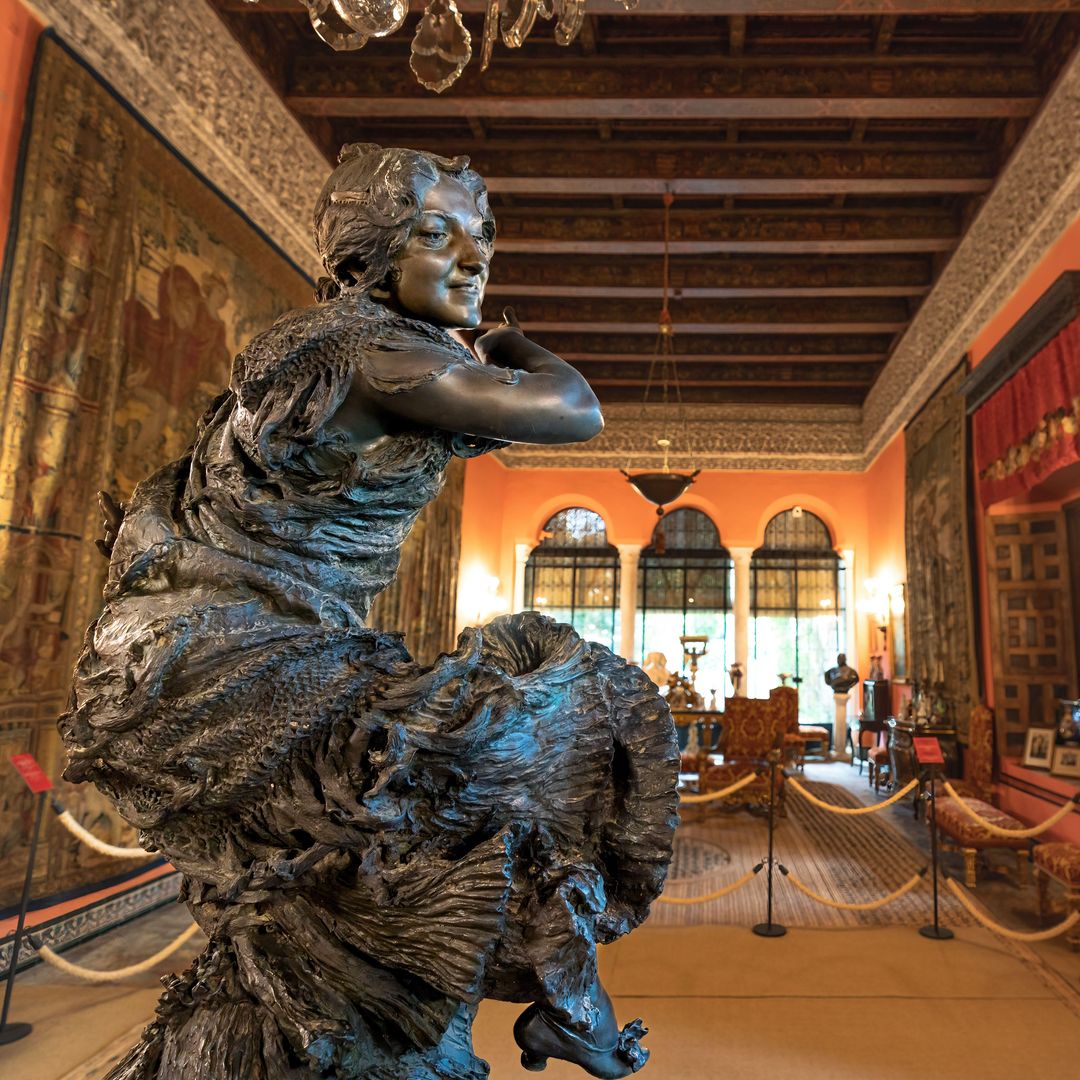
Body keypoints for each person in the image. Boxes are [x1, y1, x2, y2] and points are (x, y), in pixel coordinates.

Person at [59, 144, 678, 1080]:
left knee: (424, 796)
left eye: (483, 236)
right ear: (371, 255)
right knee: (550, 706)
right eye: (436, 234)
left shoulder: (343, 347)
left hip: (204, 647)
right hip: (231, 659)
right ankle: (564, 993)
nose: (473, 257)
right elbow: (575, 408)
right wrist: (508, 343)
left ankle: (521, 993)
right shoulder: (368, 351)